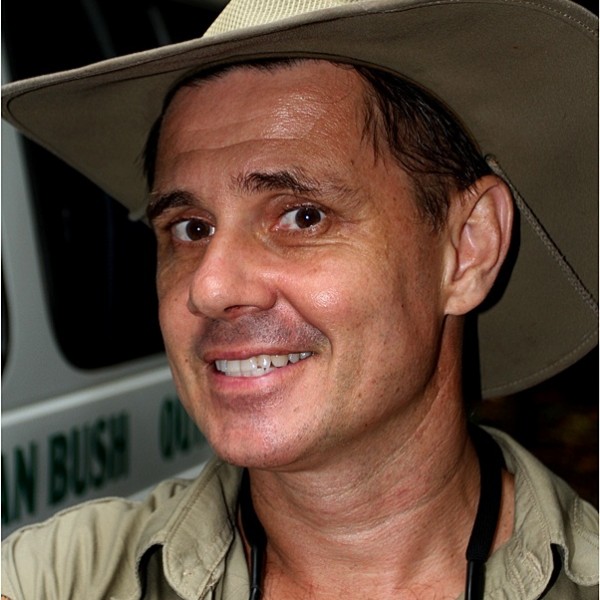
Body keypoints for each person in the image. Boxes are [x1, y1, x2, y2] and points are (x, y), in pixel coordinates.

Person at [1, 0, 598, 598]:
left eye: (302, 217)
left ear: (468, 248)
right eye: (190, 228)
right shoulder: (60, 578)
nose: (210, 287)